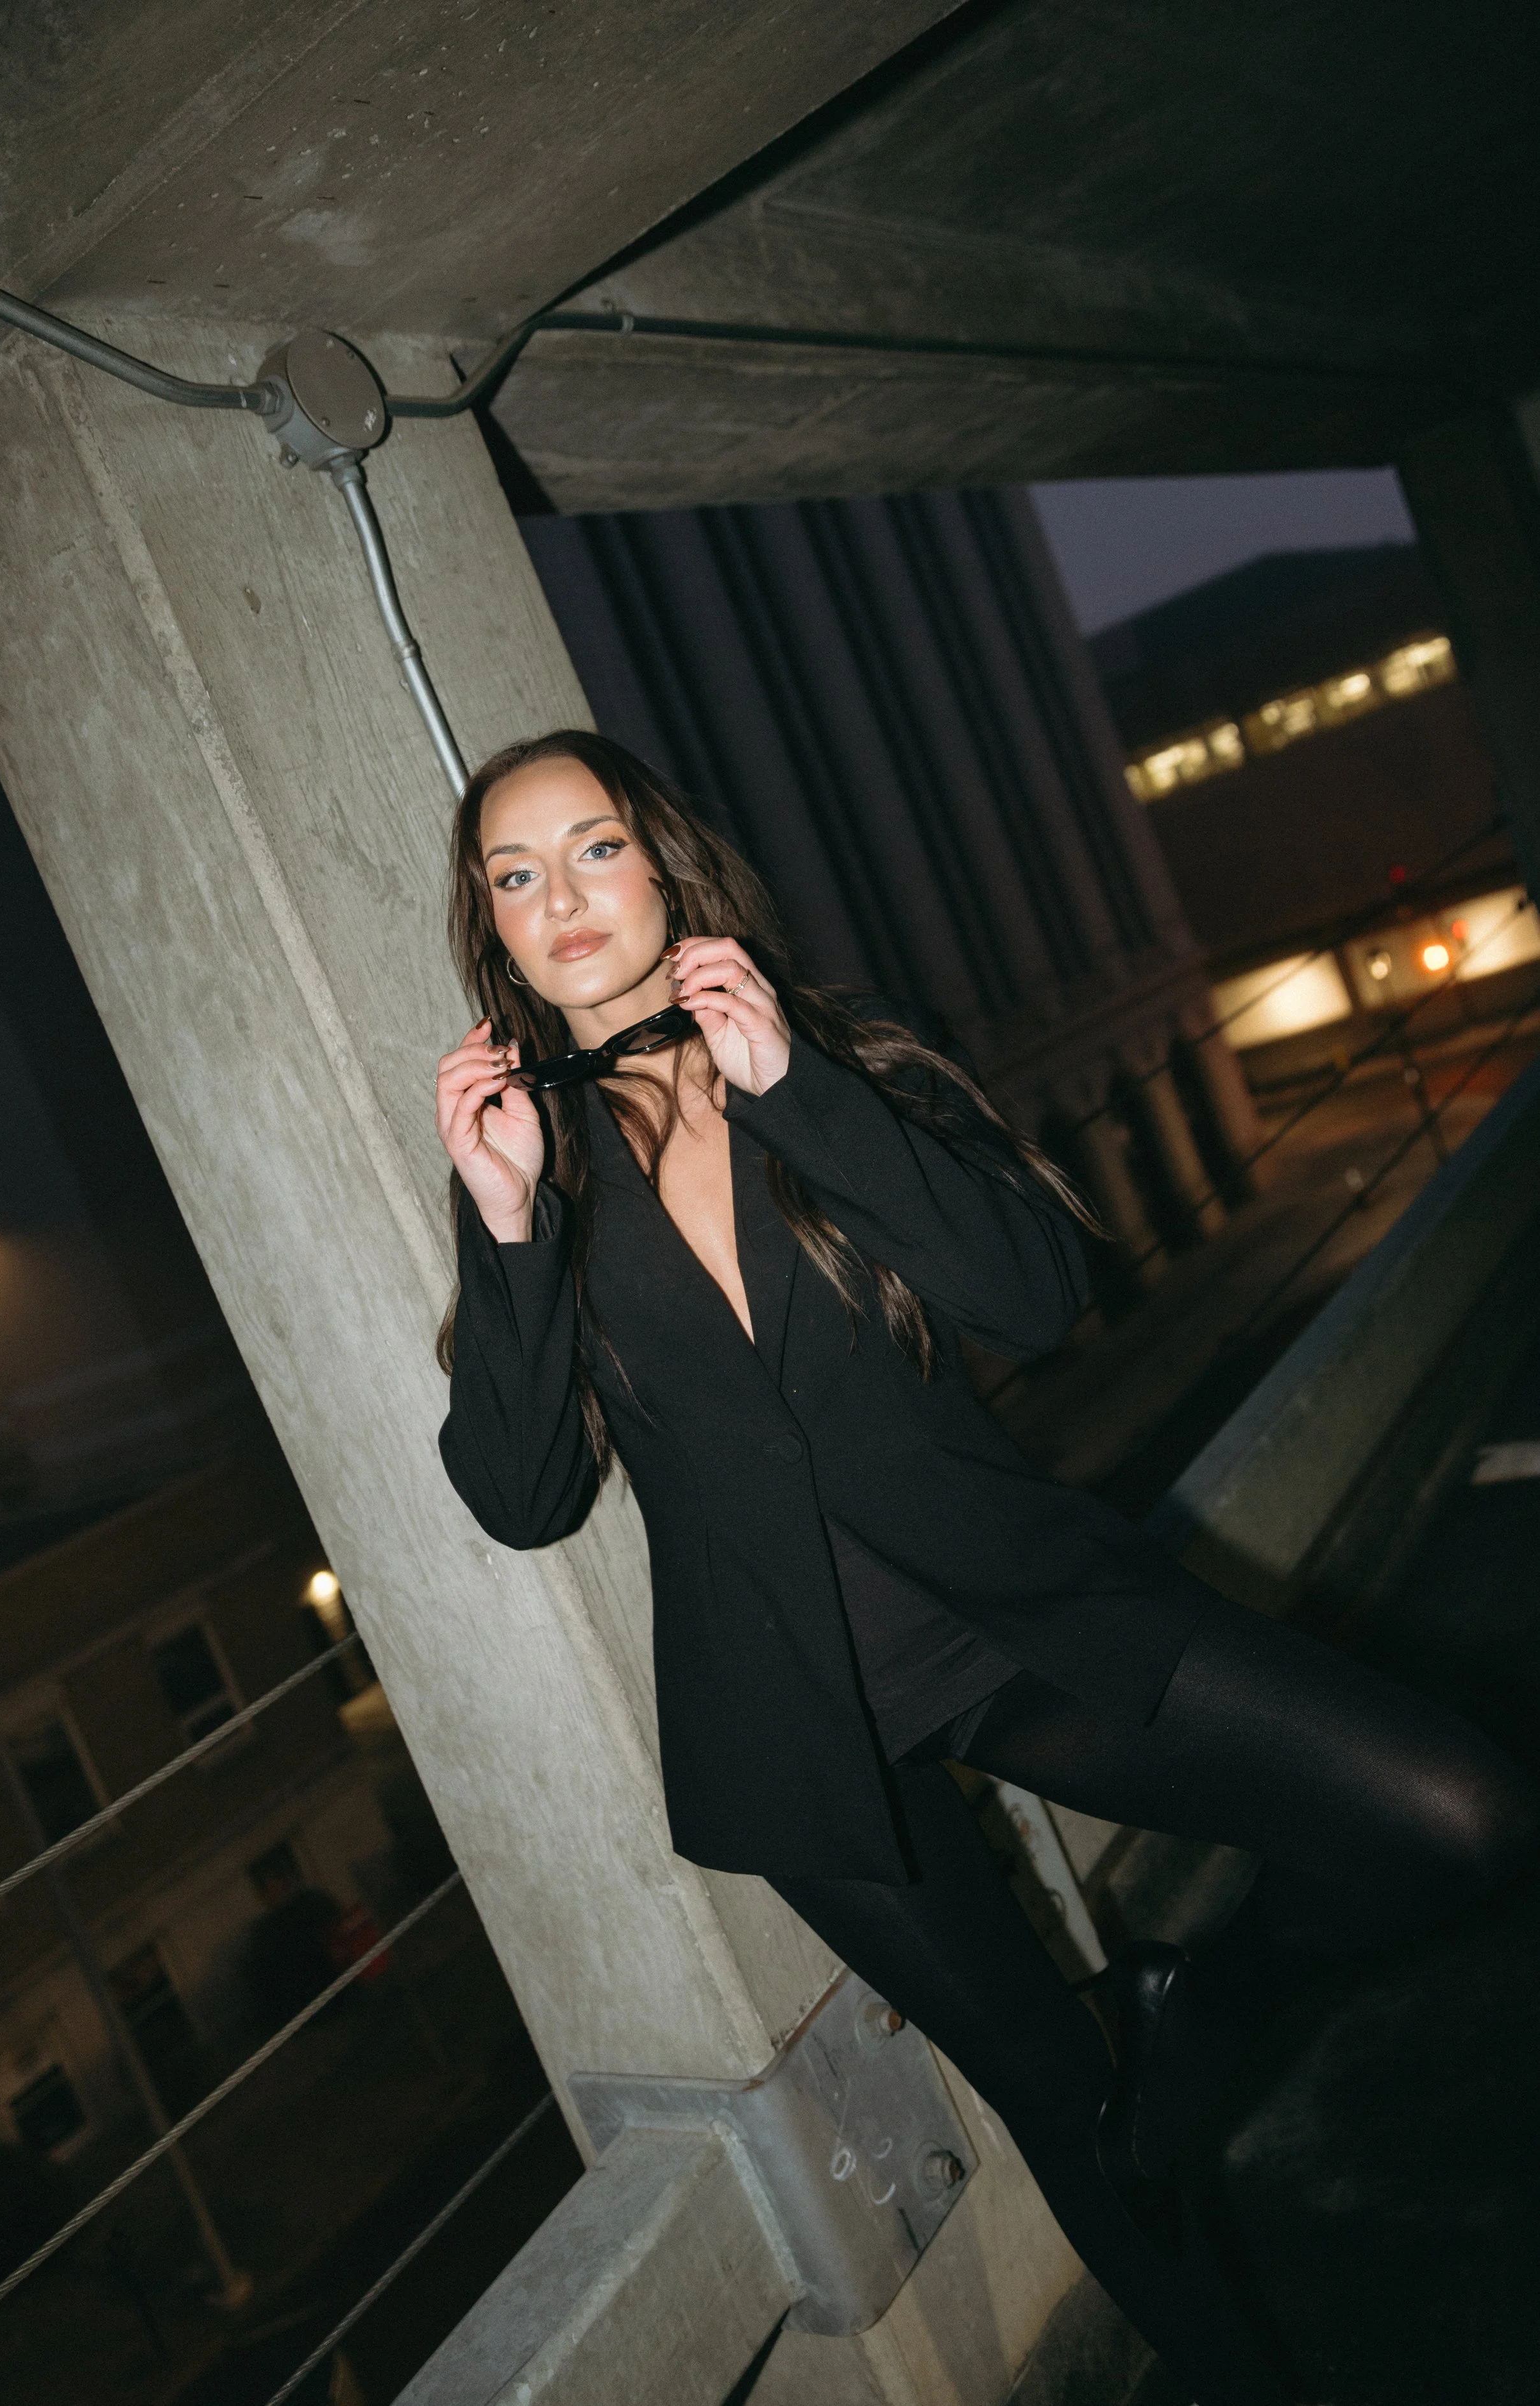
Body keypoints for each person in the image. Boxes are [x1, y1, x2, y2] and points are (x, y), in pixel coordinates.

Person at [433, 729, 1537, 2403]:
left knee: (1454, 1808)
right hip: (788, 1716)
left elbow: (1035, 1293)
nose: (560, 898)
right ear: (491, 928)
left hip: (1017, 1614)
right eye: (516, 874)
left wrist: (795, 1088)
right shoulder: (536, 1163)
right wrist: (502, 1232)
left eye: (591, 848)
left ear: (663, 864)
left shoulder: (836, 1060)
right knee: (1061, 2104)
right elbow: (517, 1498)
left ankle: (1196, 2002)